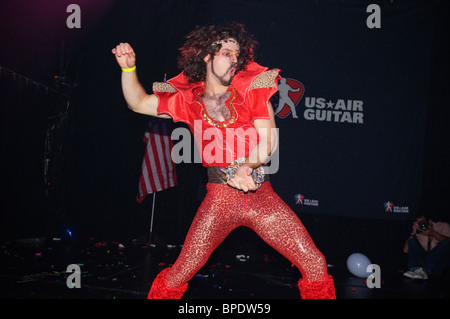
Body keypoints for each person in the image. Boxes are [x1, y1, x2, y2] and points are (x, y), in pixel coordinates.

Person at [112, 23, 335, 299]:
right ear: (207, 55)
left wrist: (246, 167)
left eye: (237, 55)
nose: (234, 60)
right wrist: (128, 69)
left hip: (260, 197)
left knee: (315, 264)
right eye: (227, 52)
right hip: (218, 201)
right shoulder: (186, 98)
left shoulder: (252, 88)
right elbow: (137, 102)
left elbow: (269, 141)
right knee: (179, 272)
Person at [403, 215, 450, 279]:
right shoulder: (418, 232)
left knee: (445, 243)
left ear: (429, 221)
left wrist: (433, 233)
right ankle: (416, 269)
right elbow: (406, 250)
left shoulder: (443, 226)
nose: (422, 226)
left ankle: (423, 271)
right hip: (423, 259)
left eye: (423, 223)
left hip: (438, 262)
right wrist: (413, 233)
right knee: (412, 241)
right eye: (419, 223)